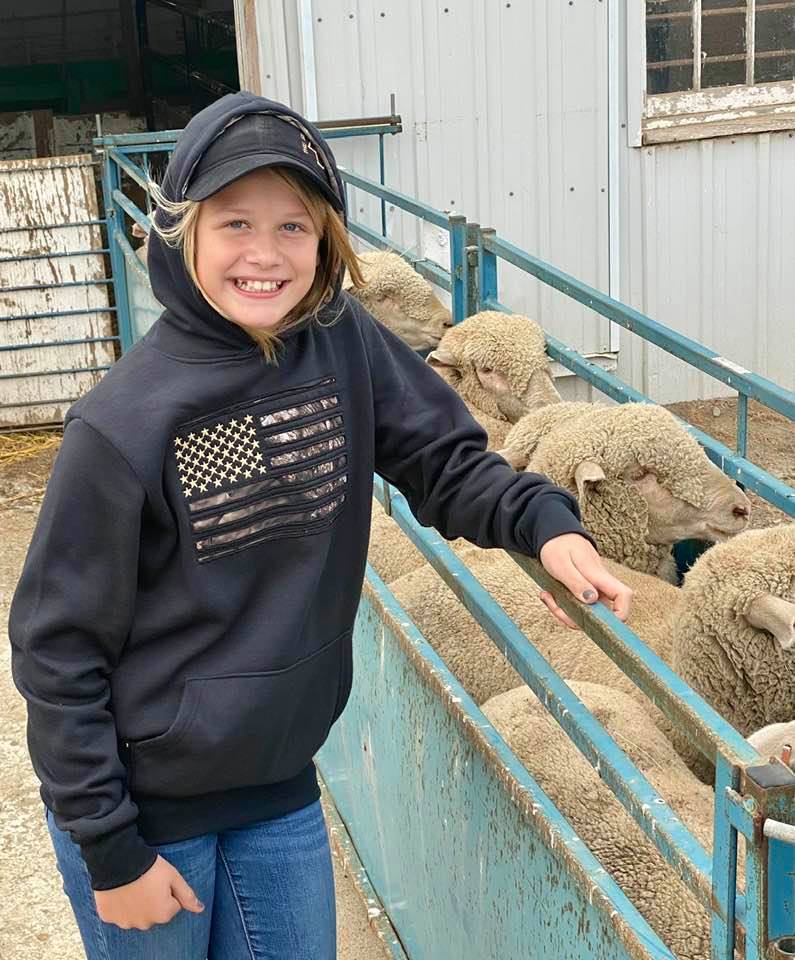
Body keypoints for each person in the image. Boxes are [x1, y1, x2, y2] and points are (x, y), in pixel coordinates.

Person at [9, 91, 632, 960]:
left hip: (277, 784)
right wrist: (110, 851)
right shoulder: (121, 426)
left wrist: (545, 527)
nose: (264, 255)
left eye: (294, 226)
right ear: (181, 232)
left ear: (326, 241)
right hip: (148, 813)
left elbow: (442, 461)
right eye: (234, 224)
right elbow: (56, 649)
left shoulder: (342, 340)